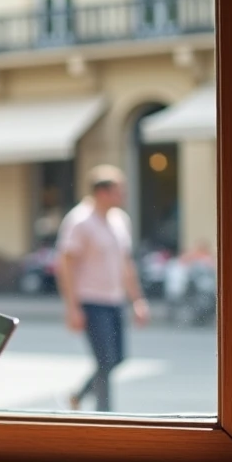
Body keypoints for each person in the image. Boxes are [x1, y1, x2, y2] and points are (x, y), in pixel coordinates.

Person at [55, 164, 149, 412]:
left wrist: (137, 300)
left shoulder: (120, 220)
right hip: (91, 300)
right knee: (105, 362)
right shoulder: (79, 221)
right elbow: (65, 266)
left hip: (115, 299)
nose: (124, 195)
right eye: (120, 190)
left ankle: (78, 395)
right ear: (102, 192)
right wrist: (72, 308)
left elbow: (126, 264)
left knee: (118, 358)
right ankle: (105, 418)